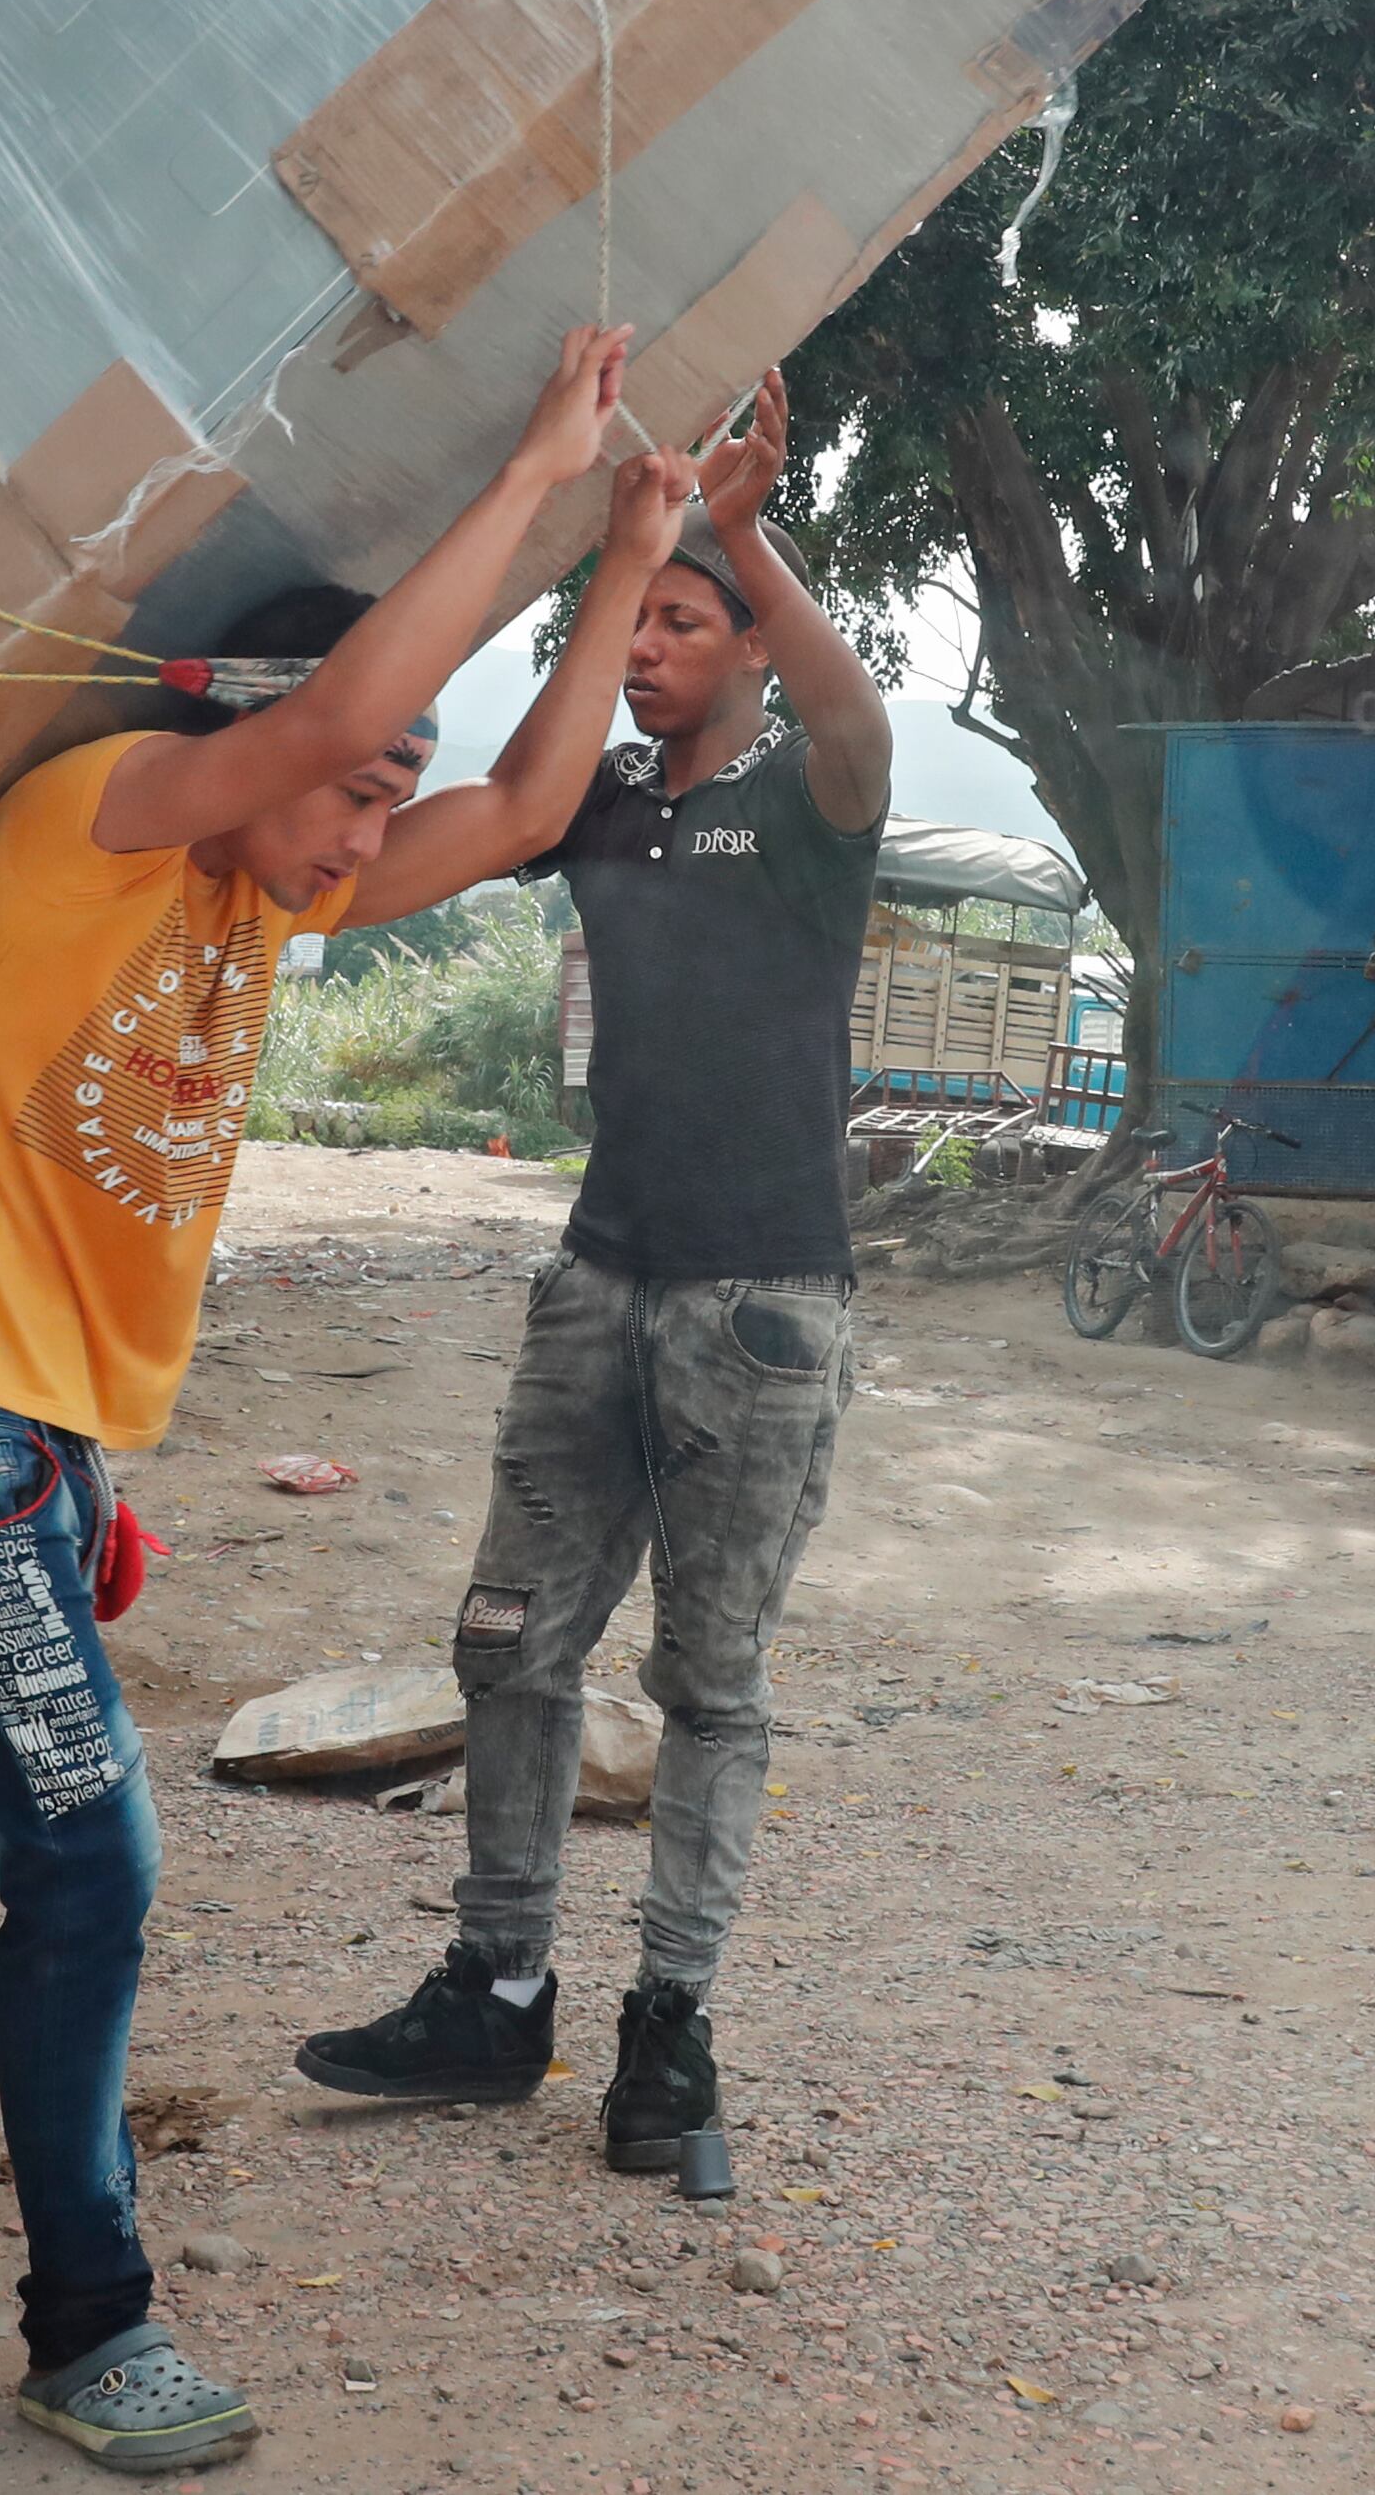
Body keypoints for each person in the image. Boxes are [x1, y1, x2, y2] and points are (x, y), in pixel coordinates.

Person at [0, 329, 694, 2481]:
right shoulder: (85, 831)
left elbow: (532, 802)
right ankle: (90, 2324)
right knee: (92, 1860)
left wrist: (630, 543)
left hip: (7, 1439)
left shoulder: (260, 896)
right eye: (356, 778)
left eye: (388, 793)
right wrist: (547, 467)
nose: (377, 813)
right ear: (241, 733)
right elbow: (346, 710)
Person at [294, 364, 894, 2188]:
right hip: (597, 1283)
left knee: (710, 1681)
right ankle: (499, 1987)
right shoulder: (604, 807)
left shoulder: (813, 800)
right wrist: (613, 541)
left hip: (764, 1303)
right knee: (511, 1644)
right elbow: (492, 794)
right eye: (628, 621)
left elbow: (852, 703)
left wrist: (743, 530)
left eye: (675, 624)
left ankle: (673, 2036)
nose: (641, 646)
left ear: (748, 648)